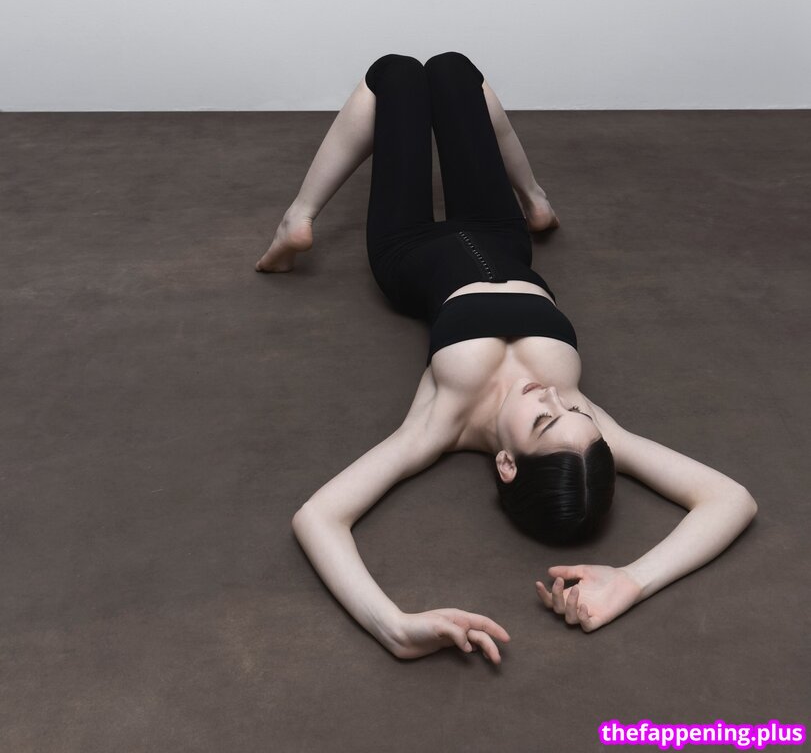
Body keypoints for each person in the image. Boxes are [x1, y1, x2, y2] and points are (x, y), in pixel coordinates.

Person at [258, 52, 757, 664]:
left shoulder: (442, 424)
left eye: (545, 419)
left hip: (407, 246)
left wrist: (394, 627)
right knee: (453, 70)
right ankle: (535, 198)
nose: (554, 397)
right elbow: (731, 497)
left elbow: (319, 517)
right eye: (577, 412)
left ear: (506, 464)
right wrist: (631, 580)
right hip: (500, 236)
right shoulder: (590, 431)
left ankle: (299, 217)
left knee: (397, 75)